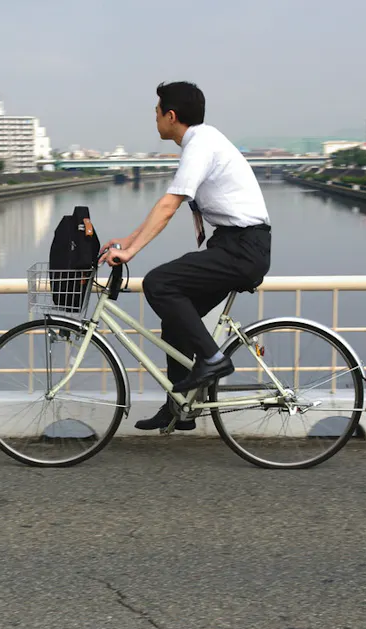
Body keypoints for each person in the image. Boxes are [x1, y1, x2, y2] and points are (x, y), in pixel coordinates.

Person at [98, 81, 272, 432]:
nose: (155, 119)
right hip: (232, 246)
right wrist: (127, 240)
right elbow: (166, 204)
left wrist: (131, 250)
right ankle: (180, 408)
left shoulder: (201, 145)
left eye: (157, 113)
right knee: (176, 320)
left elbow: (170, 204)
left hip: (242, 248)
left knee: (160, 283)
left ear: (171, 116)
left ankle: (213, 358)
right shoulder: (201, 142)